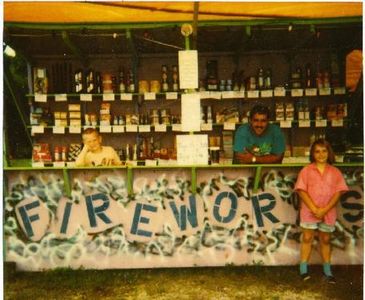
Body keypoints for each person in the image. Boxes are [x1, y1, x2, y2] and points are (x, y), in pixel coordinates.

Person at [294, 139, 348, 284]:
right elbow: (301, 190)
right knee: (307, 238)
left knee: (325, 239)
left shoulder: (335, 172)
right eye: (317, 151)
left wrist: (324, 210)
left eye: (324, 151)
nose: (321, 154)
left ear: (329, 152)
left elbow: (338, 192)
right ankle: (303, 270)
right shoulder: (306, 170)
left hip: (328, 212)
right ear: (312, 153)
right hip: (309, 211)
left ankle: (327, 271)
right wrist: (314, 208)